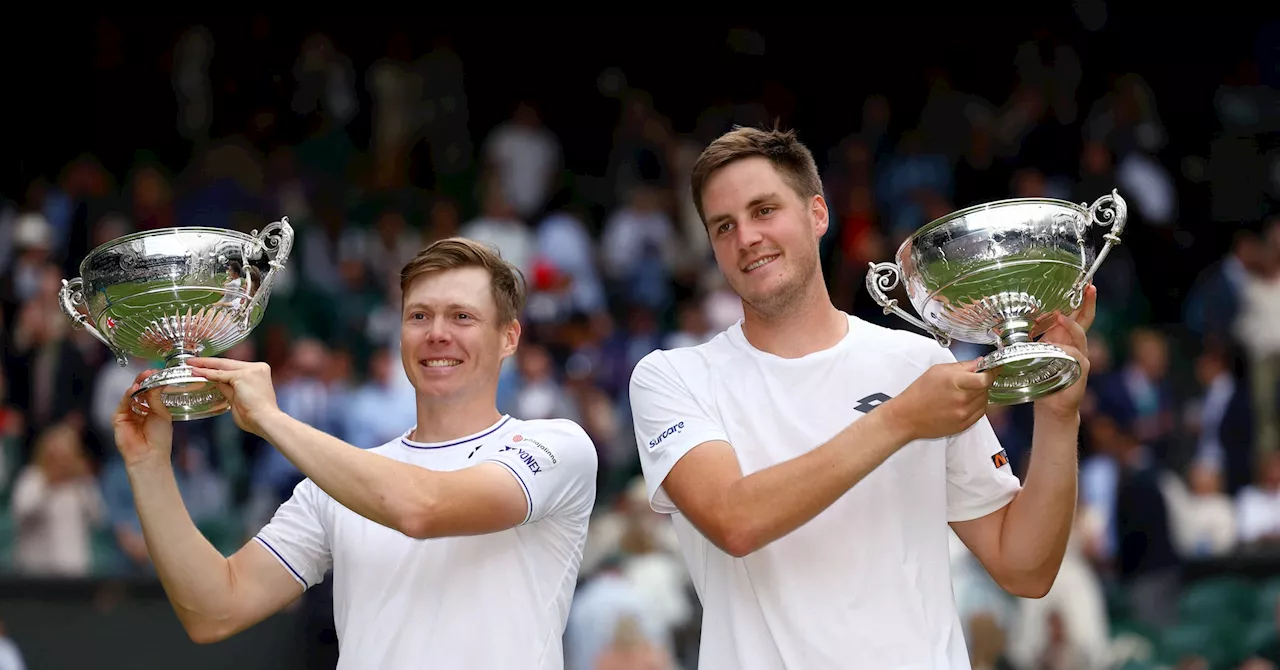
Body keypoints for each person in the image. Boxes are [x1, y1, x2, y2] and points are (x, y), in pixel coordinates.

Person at [627, 126, 1093, 669]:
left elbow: (1026, 569)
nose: (746, 237)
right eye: (723, 226)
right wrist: (900, 419)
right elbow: (735, 521)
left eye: (764, 210)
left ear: (817, 215)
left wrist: (1059, 414)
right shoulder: (674, 376)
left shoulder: (918, 365)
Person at [113, 238, 598, 669]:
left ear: (509, 338)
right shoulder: (337, 482)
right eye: (419, 315)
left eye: (462, 316)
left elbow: (421, 508)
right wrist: (148, 465)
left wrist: (272, 420)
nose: (437, 333)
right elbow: (214, 610)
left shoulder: (558, 446)